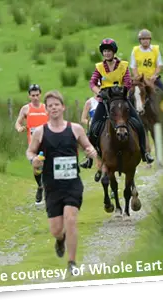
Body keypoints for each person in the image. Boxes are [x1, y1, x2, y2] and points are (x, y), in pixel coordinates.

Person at [26, 90, 97, 276]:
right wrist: (33, 160)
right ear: (47, 110)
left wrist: (91, 151)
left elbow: (88, 145)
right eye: (50, 106)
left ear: (63, 107)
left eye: (57, 104)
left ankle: (72, 262)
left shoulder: (75, 129)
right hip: (52, 185)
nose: (54, 108)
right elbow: (30, 151)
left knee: (71, 219)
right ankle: (60, 239)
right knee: (56, 229)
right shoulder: (41, 132)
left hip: (72, 183)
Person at [86, 38, 154, 182]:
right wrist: (99, 92)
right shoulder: (99, 67)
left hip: (122, 100)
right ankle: (91, 158)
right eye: (104, 51)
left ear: (113, 52)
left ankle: (144, 152)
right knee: (93, 128)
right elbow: (92, 82)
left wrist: (122, 91)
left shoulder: (123, 65)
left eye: (109, 50)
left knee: (139, 125)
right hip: (105, 101)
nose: (106, 53)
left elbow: (128, 82)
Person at [15, 84, 49, 205]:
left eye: (37, 95)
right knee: (36, 169)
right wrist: (19, 128)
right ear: (29, 96)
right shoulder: (26, 109)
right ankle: (40, 187)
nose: (35, 97)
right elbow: (18, 122)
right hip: (33, 146)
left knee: (48, 168)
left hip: (47, 143)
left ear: (40, 95)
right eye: (32, 95)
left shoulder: (46, 108)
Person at [79, 96, 99, 170]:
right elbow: (83, 119)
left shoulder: (107, 99)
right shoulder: (89, 102)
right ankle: (89, 160)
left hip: (105, 125)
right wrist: (90, 123)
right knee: (88, 139)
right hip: (94, 127)